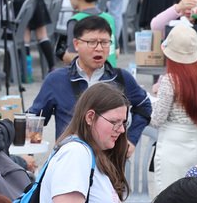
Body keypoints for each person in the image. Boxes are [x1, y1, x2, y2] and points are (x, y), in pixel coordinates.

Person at [30, 15, 151, 147]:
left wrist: (131, 140)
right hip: (70, 158)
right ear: (76, 44)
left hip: (108, 162)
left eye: (105, 42)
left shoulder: (121, 78)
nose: (99, 48)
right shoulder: (56, 79)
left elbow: (144, 106)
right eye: (92, 42)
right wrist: (27, 154)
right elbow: (34, 118)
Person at [150, 21, 197, 195]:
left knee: (170, 202)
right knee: (194, 201)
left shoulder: (170, 80)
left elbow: (157, 119)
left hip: (172, 147)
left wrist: (152, 101)